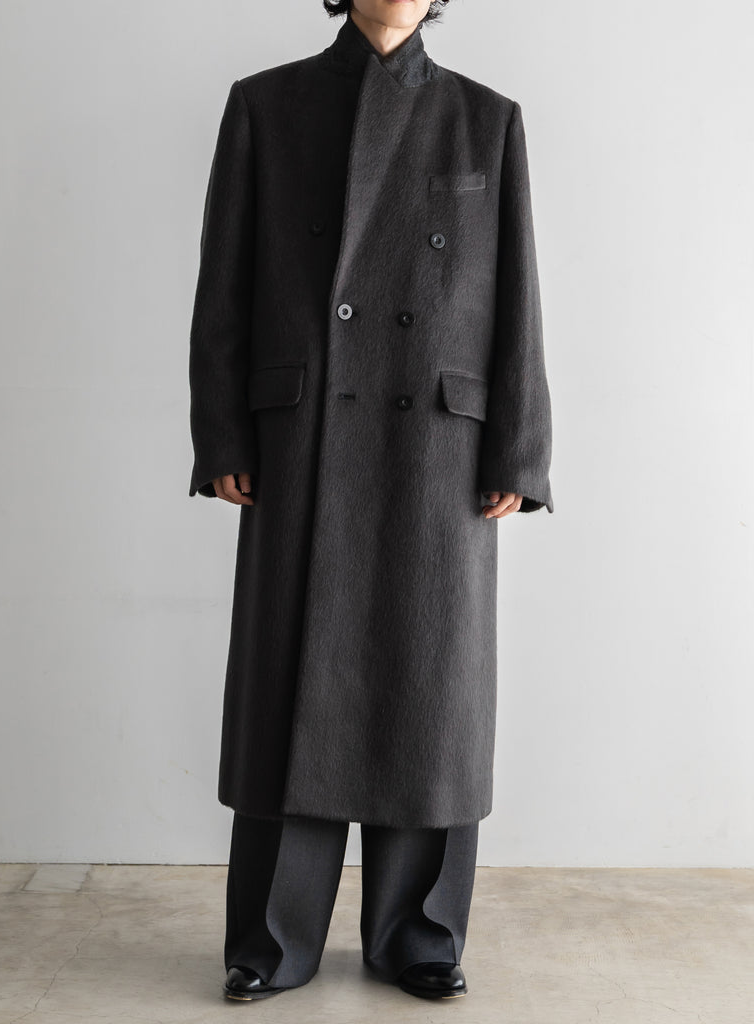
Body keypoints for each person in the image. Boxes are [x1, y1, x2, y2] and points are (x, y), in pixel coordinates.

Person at [187, 0, 554, 1003]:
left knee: (429, 690)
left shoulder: (486, 118)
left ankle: (419, 934)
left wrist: (521, 449)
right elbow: (224, 288)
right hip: (302, 438)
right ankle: (272, 939)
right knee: (289, 686)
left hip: (438, 444)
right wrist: (223, 435)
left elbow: (516, 297)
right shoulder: (266, 107)